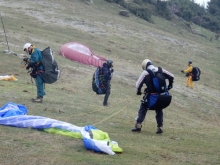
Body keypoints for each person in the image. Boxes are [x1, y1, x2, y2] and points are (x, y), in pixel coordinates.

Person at [132, 59, 174, 134]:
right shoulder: (161, 70)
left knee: (143, 107)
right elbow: (172, 76)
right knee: (159, 109)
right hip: (163, 97)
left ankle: (138, 125)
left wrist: (138, 92)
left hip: (152, 97)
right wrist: (170, 86)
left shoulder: (146, 72)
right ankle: (160, 127)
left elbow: (138, 84)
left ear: (145, 66)